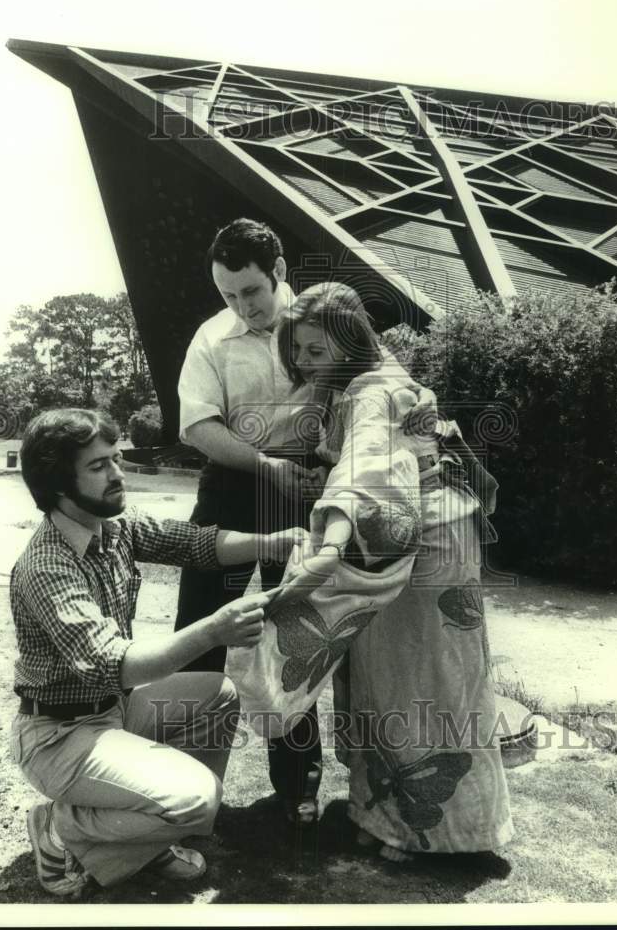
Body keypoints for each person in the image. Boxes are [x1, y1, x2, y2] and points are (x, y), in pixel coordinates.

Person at [174, 218, 435, 824]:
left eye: (252, 293)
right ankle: (186, 780)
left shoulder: (325, 319)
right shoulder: (211, 339)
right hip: (236, 479)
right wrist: (265, 465)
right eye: (228, 295)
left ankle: (297, 789)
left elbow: (385, 385)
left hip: (314, 485)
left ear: (279, 274)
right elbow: (197, 426)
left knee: (296, 629)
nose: (243, 306)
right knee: (200, 622)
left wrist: (328, 466)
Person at [10, 408, 305, 896]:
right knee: (197, 799)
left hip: (113, 712)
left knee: (220, 693)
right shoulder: (46, 566)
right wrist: (213, 630)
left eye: (117, 458)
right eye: (99, 465)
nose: (117, 473)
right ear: (59, 483)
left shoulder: (116, 526)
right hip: (58, 735)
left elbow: (194, 543)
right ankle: (60, 831)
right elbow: (113, 664)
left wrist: (273, 542)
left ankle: (147, 837)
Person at [276, 283, 514, 859]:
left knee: (416, 678)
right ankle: (391, 816)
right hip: (437, 527)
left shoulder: (369, 390)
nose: (306, 363)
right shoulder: (384, 376)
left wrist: (329, 541)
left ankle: (421, 833)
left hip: (416, 539)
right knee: (434, 675)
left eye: (315, 350)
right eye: (299, 353)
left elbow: (365, 470)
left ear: (350, 341)